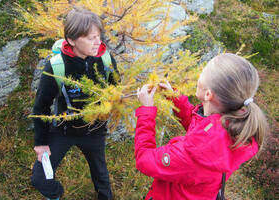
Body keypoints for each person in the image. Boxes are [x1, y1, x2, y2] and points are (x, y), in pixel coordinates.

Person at [134, 53, 268, 200]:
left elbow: (144, 159)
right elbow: (198, 127)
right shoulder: (232, 126)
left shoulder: (194, 154)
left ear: (208, 94)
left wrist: (146, 111)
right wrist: (174, 97)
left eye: (202, 74)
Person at [31, 7, 117, 200]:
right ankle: (56, 195)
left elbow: (116, 90)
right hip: (63, 131)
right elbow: (41, 107)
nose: (98, 42)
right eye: (90, 38)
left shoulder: (105, 59)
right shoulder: (57, 66)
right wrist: (41, 143)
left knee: (102, 180)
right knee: (40, 179)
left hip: (95, 131)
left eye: (99, 36)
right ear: (71, 40)